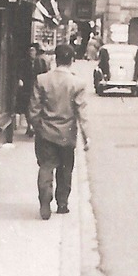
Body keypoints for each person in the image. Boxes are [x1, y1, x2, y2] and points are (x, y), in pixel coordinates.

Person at [30, 43, 89, 220]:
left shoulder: (42, 80)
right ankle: (62, 204)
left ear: (55, 58)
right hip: (67, 133)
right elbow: (81, 112)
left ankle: (45, 201)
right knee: (65, 169)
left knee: (46, 166)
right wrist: (87, 137)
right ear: (72, 60)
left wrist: (38, 127)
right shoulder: (77, 83)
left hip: (46, 132)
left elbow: (33, 109)